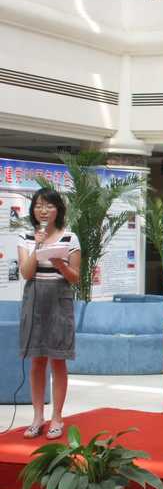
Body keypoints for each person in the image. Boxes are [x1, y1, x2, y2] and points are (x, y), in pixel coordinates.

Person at [17, 187, 81, 440]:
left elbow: (74, 278)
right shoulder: (25, 236)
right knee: (37, 360)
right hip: (34, 300)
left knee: (58, 359)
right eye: (38, 206)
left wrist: (61, 265)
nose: (43, 210)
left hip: (59, 300)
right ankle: (37, 418)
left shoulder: (70, 238)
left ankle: (57, 417)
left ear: (58, 209)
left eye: (49, 206)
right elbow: (26, 273)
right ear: (33, 210)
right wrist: (38, 245)